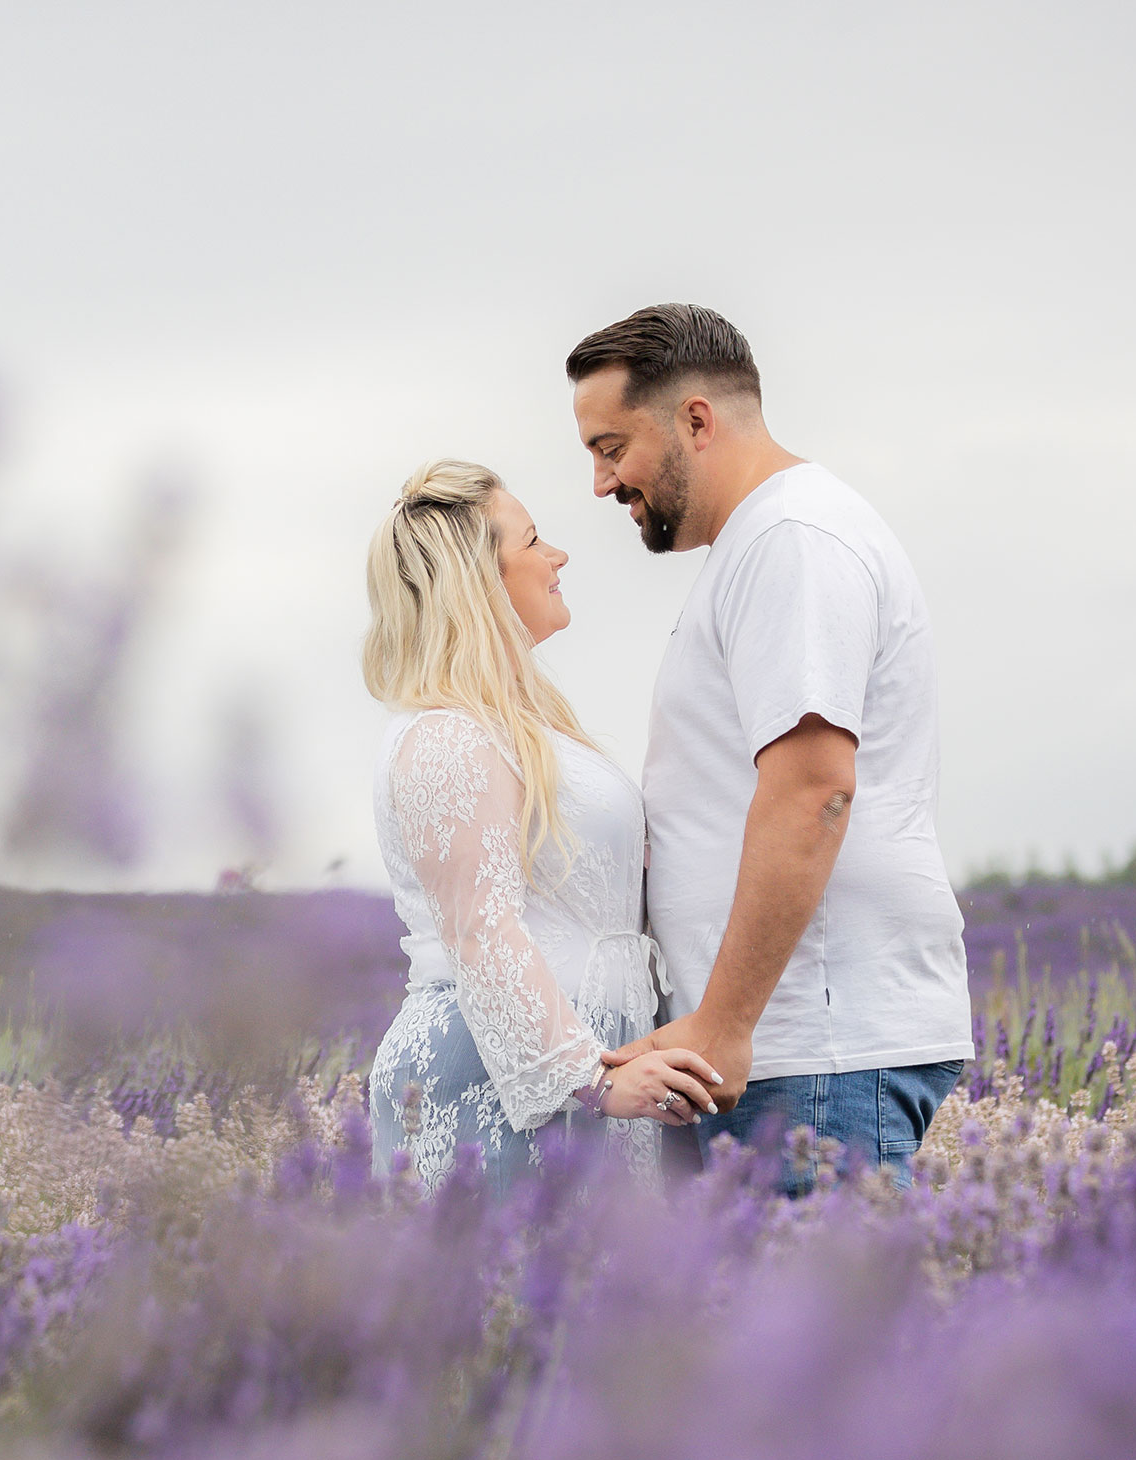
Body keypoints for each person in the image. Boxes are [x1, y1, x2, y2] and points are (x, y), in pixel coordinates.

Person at [572, 304, 973, 1192]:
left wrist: (723, 1024)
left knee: (823, 1333)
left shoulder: (791, 540)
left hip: (812, 1054)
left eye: (610, 448)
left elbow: (813, 789)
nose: (601, 484)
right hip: (788, 1049)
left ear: (697, 421)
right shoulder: (764, 543)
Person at [362, 459, 722, 1193]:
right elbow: (479, 928)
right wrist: (589, 1081)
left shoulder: (522, 728)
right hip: (504, 1076)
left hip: (576, 1067)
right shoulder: (447, 737)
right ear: (479, 581)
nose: (557, 556)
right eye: (533, 541)